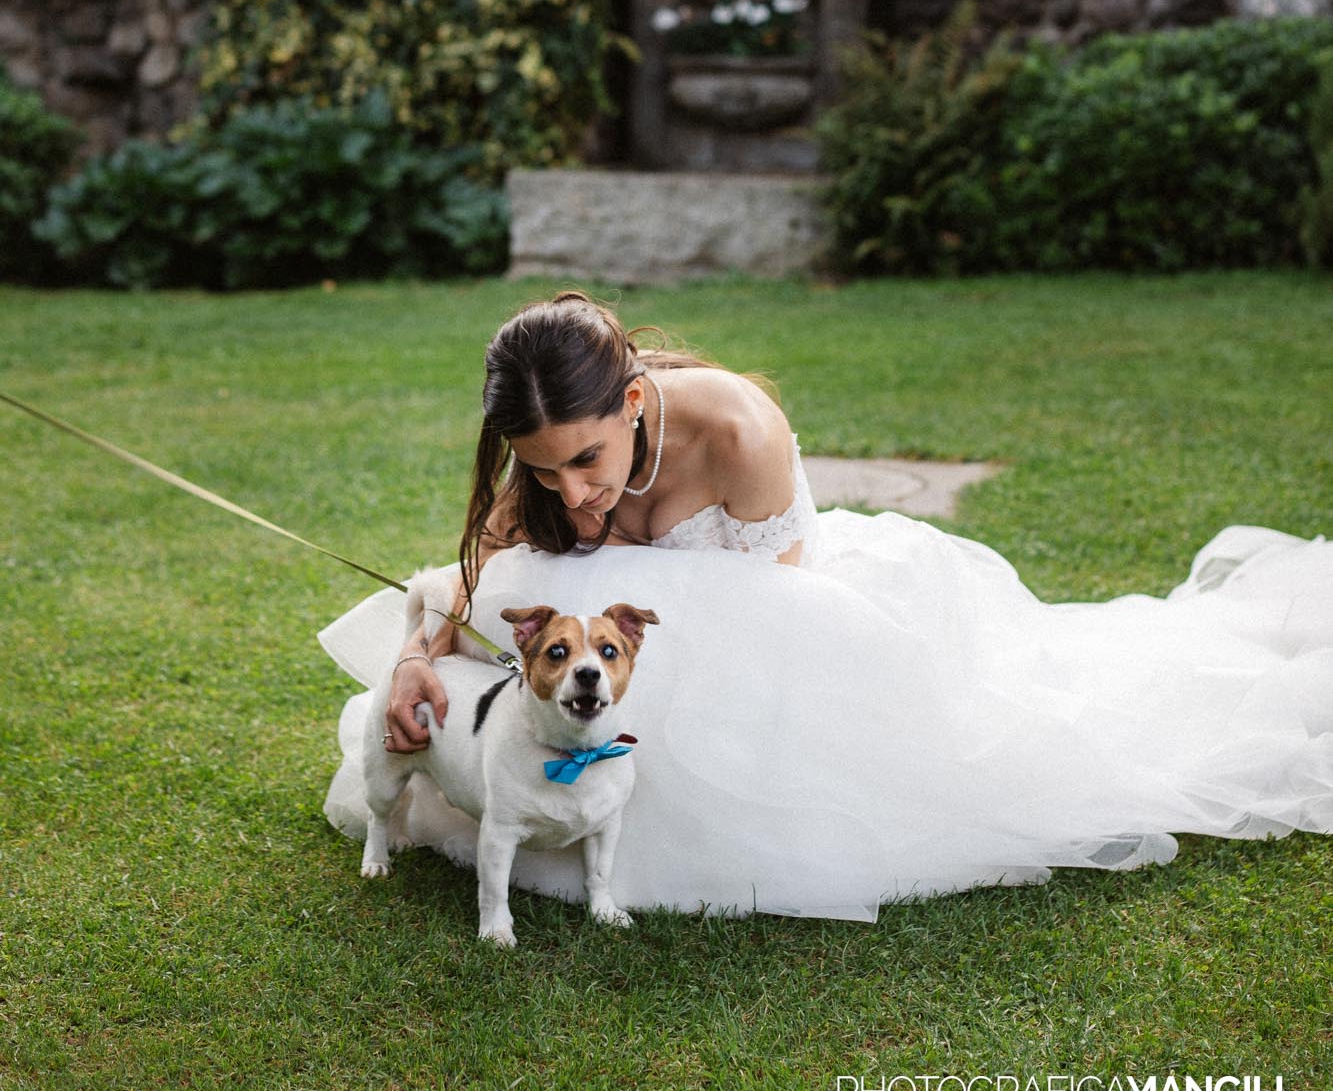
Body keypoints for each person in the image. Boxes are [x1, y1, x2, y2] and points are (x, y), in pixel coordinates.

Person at [319, 291, 1333, 922]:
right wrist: (419, 652)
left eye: (587, 460)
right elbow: (490, 555)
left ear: (631, 403)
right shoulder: (552, 460)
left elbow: (776, 624)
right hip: (609, 643)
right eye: (547, 470)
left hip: (772, 613)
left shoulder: (739, 432)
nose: (573, 492)